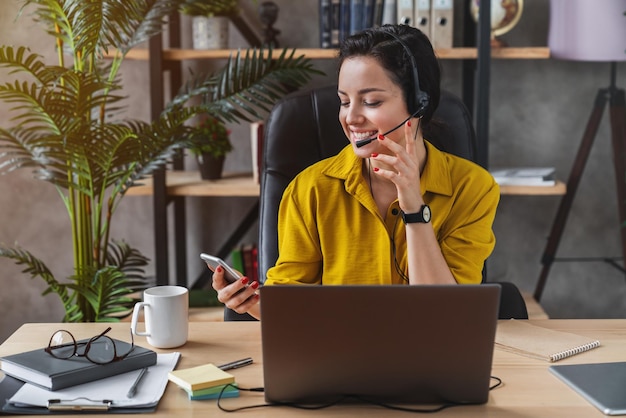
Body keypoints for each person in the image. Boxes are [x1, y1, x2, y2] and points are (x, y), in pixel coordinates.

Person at [212, 24, 500, 320]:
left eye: (371, 102)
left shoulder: (473, 188)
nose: (351, 118)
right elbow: (291, 304)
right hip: (337, 353)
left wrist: (414, 209)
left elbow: (446, 315)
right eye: (344, 102)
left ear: (418, 104)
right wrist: (250, 302)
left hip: (431, 354)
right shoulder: (309, 188)